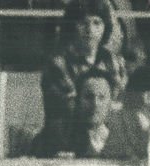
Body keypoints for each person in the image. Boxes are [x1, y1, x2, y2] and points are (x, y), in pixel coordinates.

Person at [40, 0, 127, 143]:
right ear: (72, 25)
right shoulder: (58, 64)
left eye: (97, 23)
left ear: (106, 26)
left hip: (109, 140)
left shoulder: (115, 62)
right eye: (83, 23)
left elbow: (119, 106)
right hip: (66, 139)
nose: (90, 30)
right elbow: (70, 110)